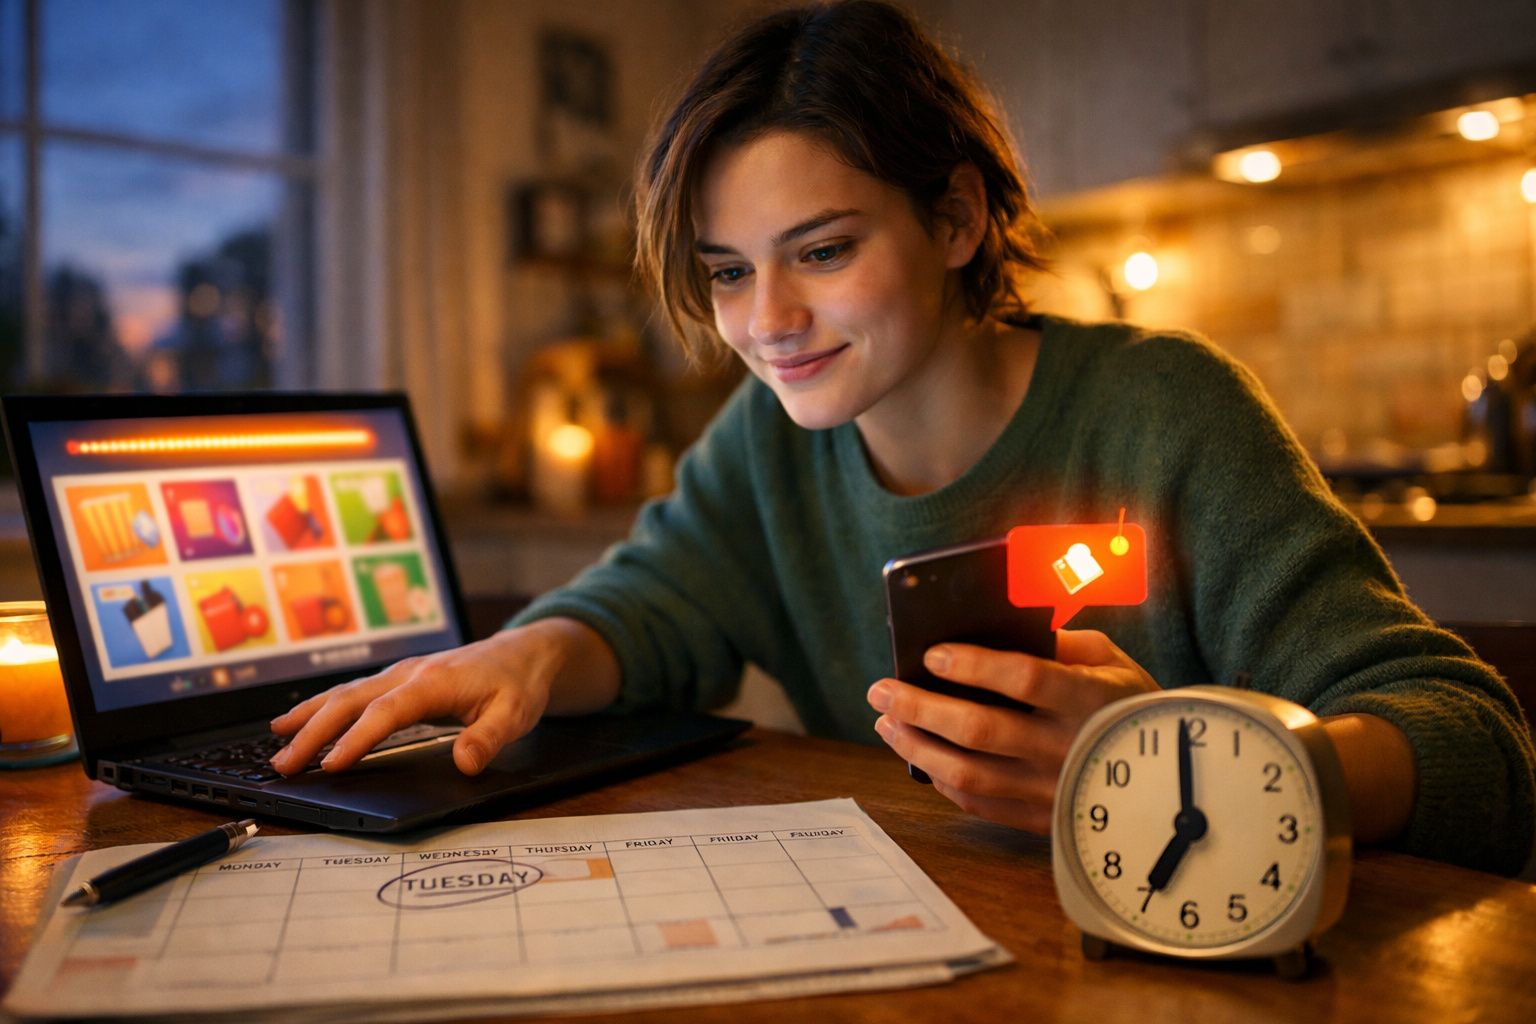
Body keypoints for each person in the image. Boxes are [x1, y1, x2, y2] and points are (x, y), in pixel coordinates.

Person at [271, 0, 1535, 875]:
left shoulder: (1168, 412)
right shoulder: (764, 448)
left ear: (956, 220)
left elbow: (1477, 748)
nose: (766, 324)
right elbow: (648, 607)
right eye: (726, 272)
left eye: (822, 251)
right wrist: (536, 650)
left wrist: (1178, 764)